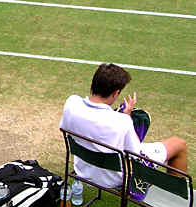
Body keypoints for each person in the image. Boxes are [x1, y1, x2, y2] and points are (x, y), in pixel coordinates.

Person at [59, 63, 188, 197]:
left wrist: (123, 116)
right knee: (179, 144)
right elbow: (136, 156)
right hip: (113, 179)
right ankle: (174, 196)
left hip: (83, 170)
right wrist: (126, 117)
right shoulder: (122, 122)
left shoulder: (71, 103)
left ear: (93, 85)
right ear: (116, 93)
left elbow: (67, 127)